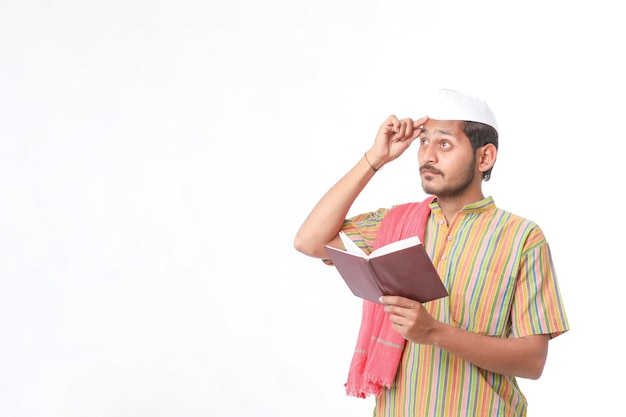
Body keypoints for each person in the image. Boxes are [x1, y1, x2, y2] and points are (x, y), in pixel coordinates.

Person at [293, 89, 569, 416]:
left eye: (444, 144)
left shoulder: (521, 237)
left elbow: (532, 361)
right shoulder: (393, 224)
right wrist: (374, 159)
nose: (428, 156)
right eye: (423, 142)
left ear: (485, 157)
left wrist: (436, 333)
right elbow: (309, 241)